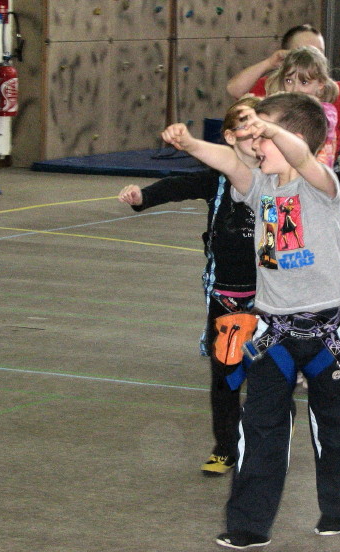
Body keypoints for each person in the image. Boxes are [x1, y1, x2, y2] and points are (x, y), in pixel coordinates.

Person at [161, 92, 340, 550]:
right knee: (260, 427)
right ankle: (249, 524)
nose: (254, 145)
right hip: (275, 334)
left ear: (290, 137)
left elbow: (302, 157)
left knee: (334, 424)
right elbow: (230, 165)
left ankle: (337, 503)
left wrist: (271, 129)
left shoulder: (321, 186)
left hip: (325, 334)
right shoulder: (261, 188)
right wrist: (190, 143)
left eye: (263, 138)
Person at [118, 96, 261, 477]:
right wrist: (142, 196)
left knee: (268, 376)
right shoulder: (216, 179)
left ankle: (268, 439)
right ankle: (225, 446)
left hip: (272, 298)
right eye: (246, 125)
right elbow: (176, 186)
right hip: (227, 297)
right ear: (229, 137)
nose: (255, 132)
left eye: (260, 124)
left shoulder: (278, 177)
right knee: (226, 374)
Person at [227, 23, 340, 155]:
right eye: (302, 53)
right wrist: (269, 63)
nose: (296, 88)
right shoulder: (274, 86)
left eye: (318, 53)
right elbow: (234, 89)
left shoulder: (334, 91)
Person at [265, 45, 340, 167]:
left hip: (313, 174)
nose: (295, 89)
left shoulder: (326, 112)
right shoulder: (285, 107)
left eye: (304, 82)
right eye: (289, 81)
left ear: (320, 84)